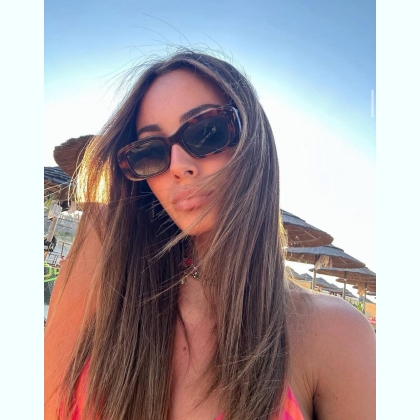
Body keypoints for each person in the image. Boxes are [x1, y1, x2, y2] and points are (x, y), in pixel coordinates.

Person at [44, 50, 375, 420]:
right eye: (150, 152)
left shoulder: (334, 334)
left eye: (207, 132)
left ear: (254, 141)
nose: (179, 166)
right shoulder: (104, 262)